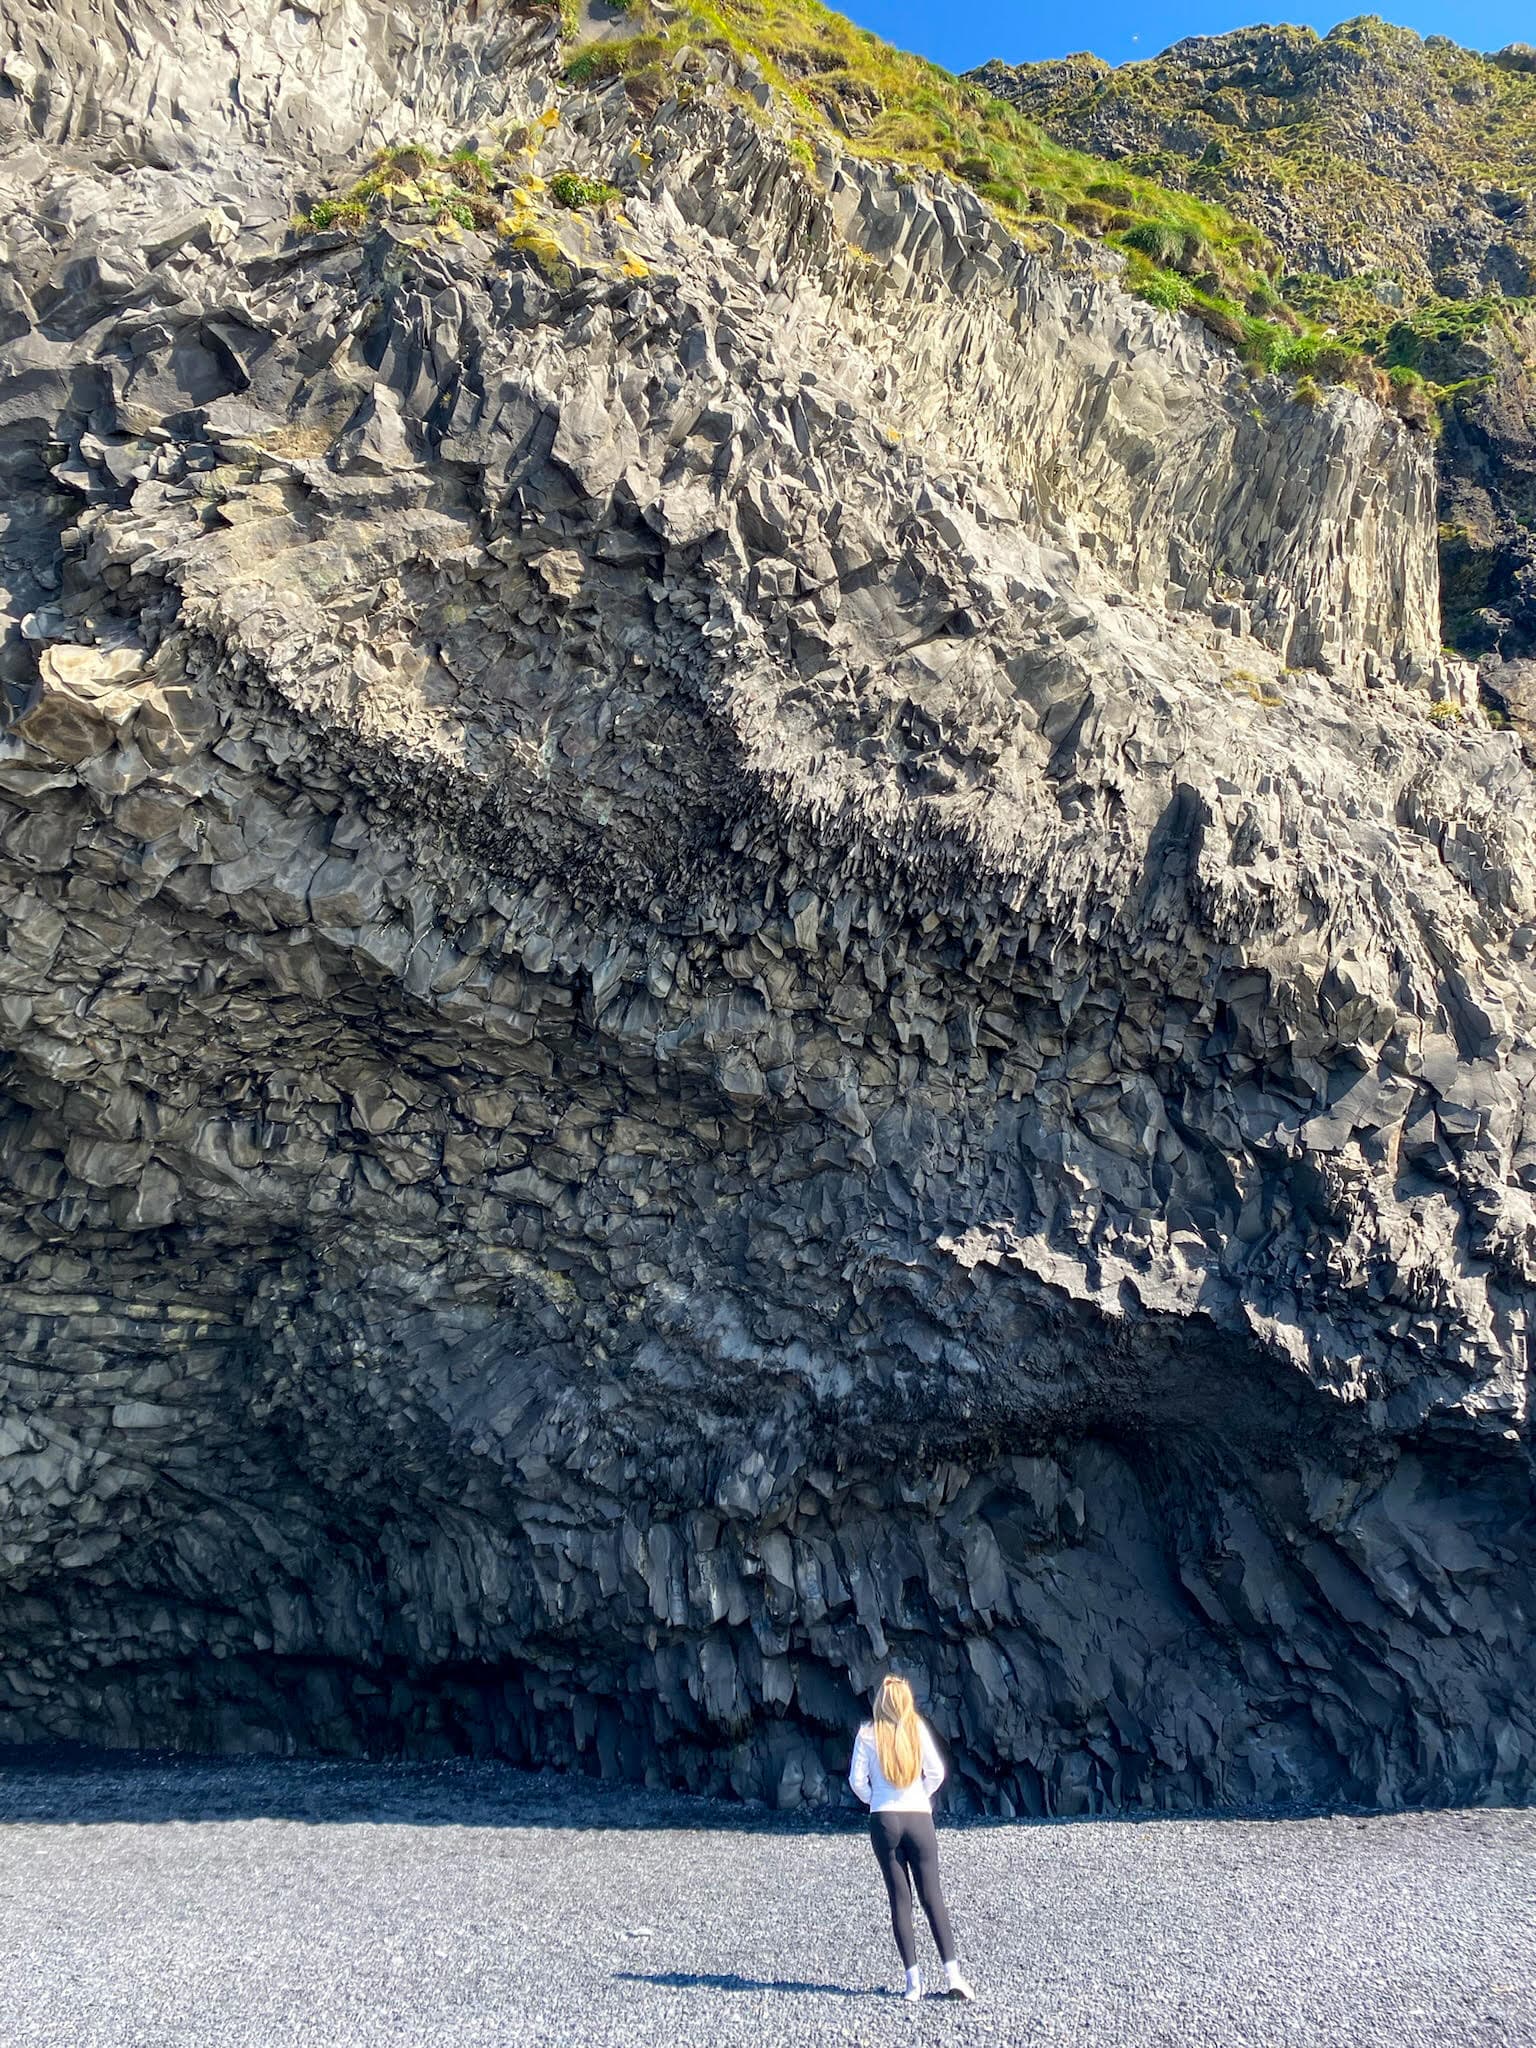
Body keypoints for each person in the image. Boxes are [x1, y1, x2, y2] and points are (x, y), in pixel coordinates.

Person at [848, 1675, 975, 2002]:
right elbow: (937, 1773)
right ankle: (954, 1977)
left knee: (900, 1900)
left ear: (880, 1702)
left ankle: (913, 1984)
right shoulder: (916, 1729)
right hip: (919, 1817)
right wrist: (921, 1796)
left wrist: (875, 1800)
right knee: (932, 1896)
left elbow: (856, 1781)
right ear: (906, 1702)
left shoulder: (866, 1734)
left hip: (884, 1819)